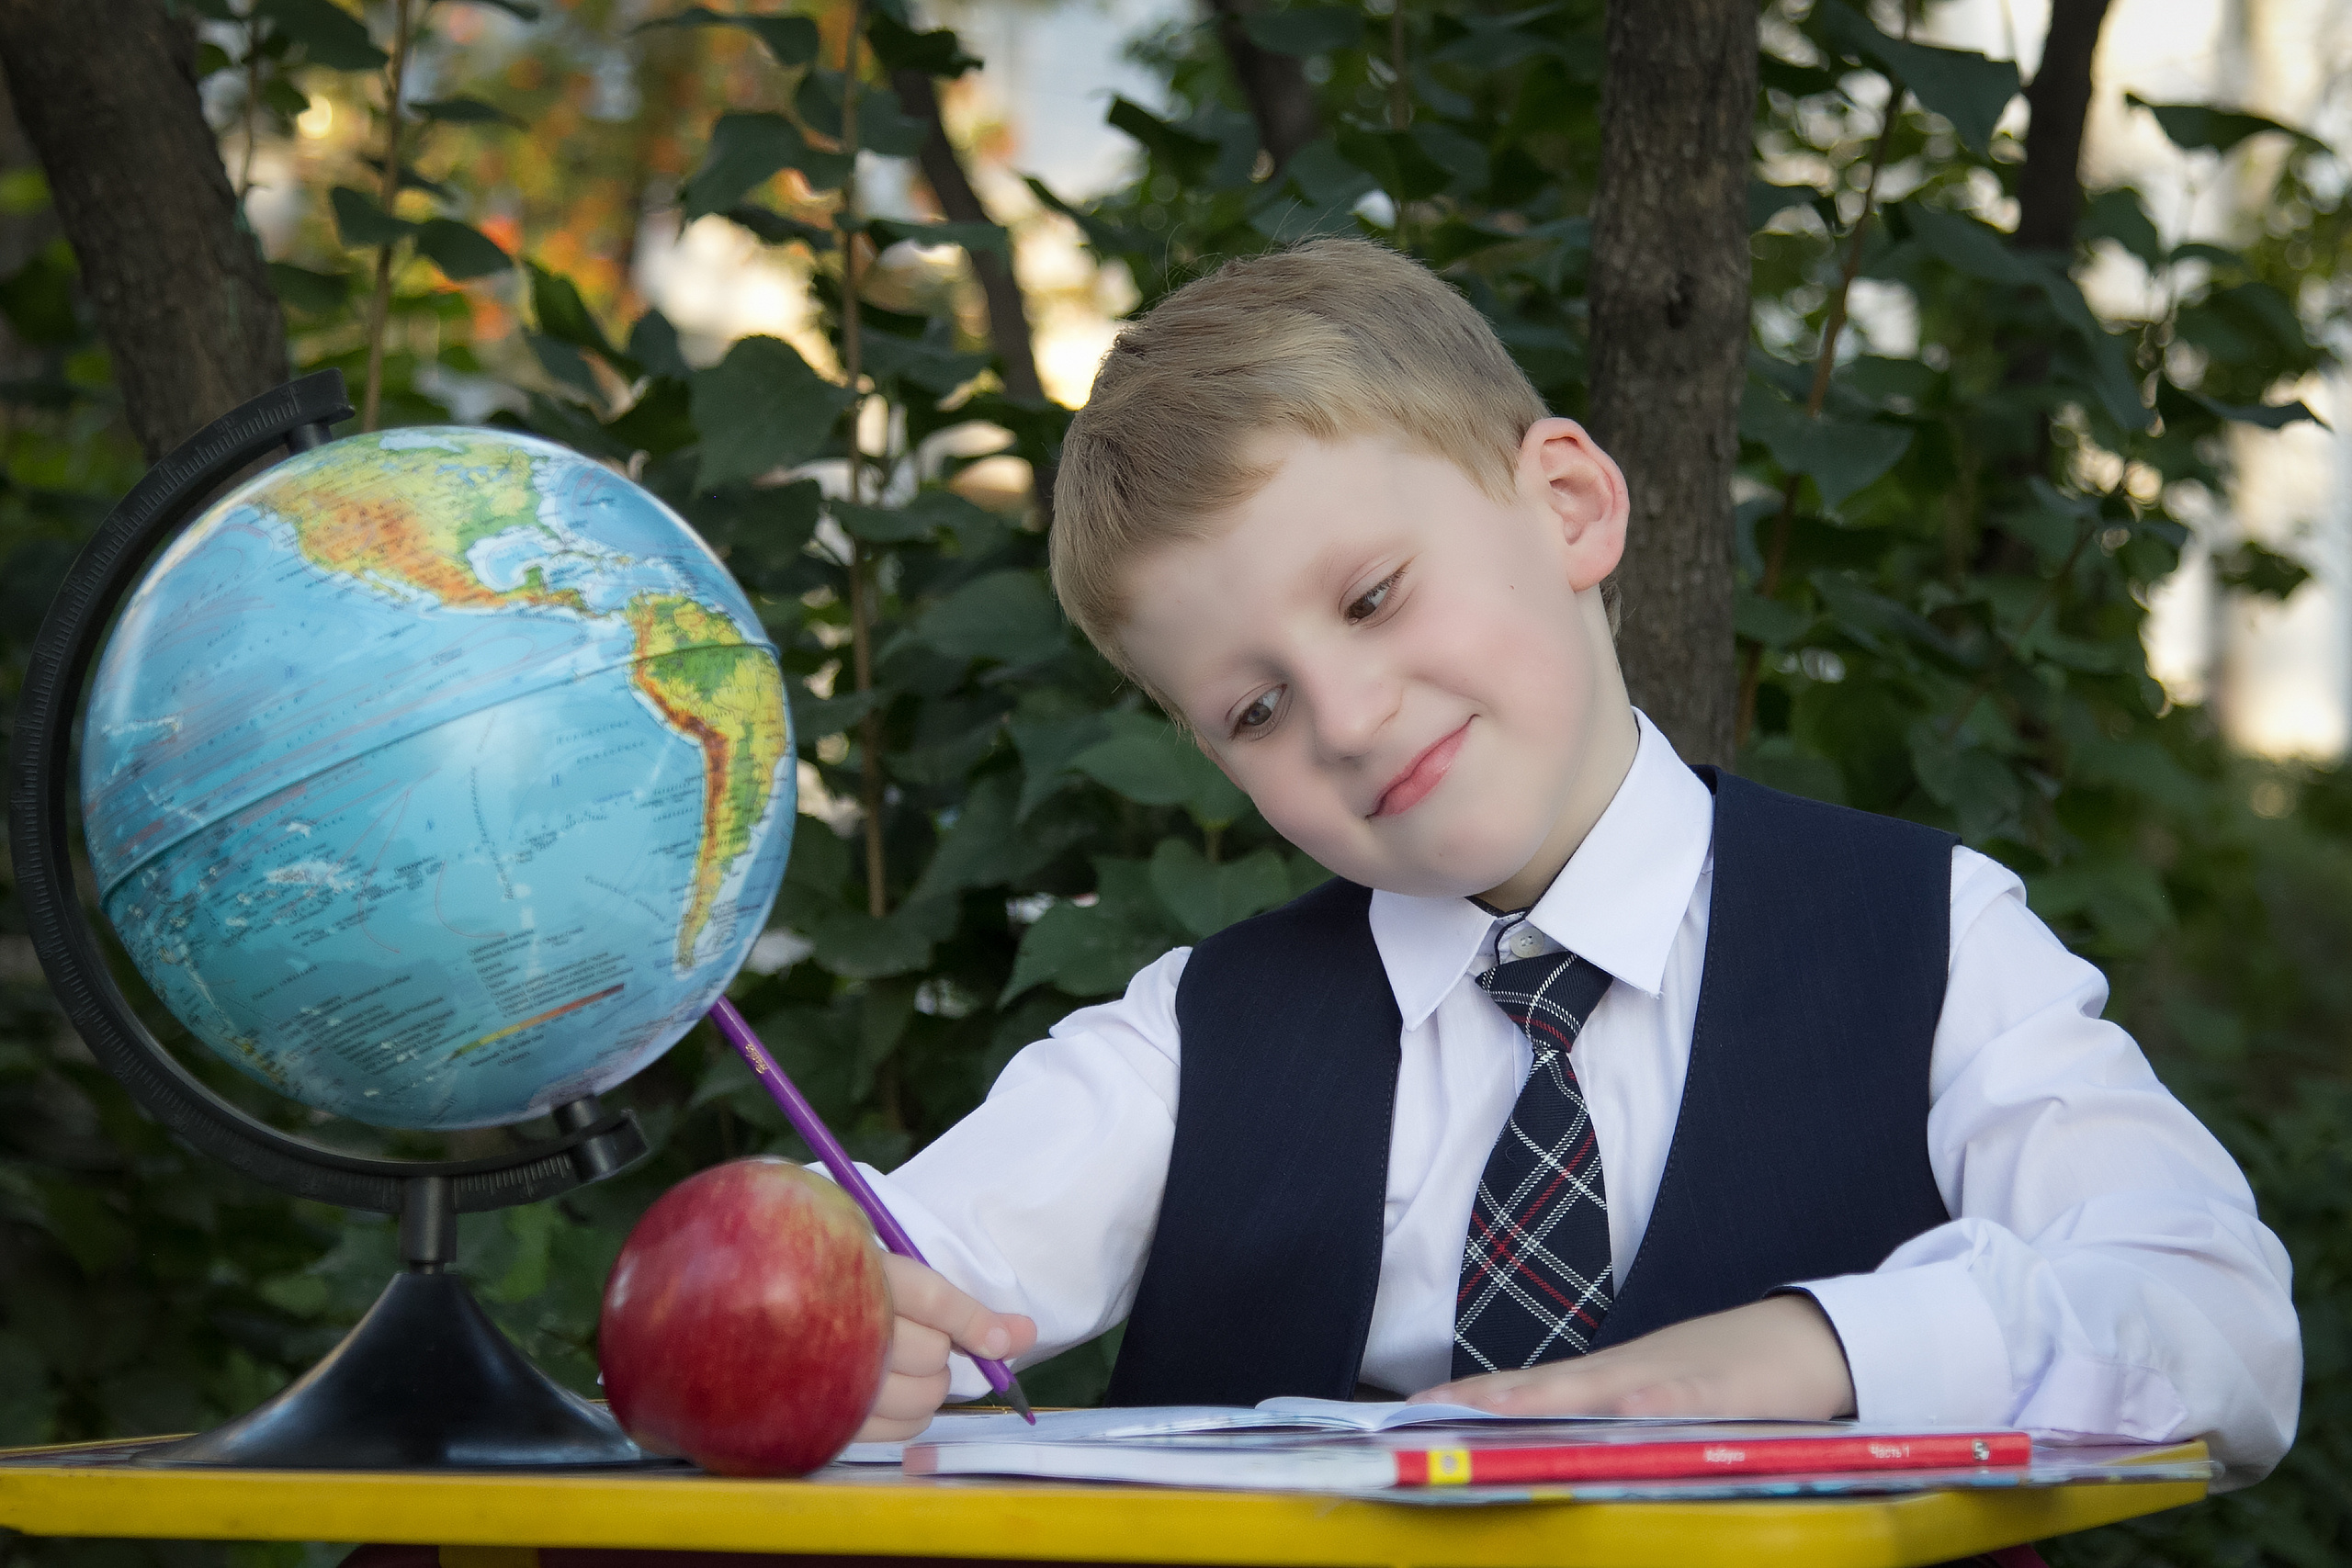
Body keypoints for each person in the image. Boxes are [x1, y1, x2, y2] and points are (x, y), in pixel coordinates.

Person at [843, 238, 2300, 1487]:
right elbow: (880, 1266)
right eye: (1256, 710)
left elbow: (2216, 1321)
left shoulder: (1929, 941)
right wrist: (834, 1316)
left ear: (1569, 507)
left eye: (1372, 596)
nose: (1345, 719)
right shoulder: (1189, 1041)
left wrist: (1810, 1353)